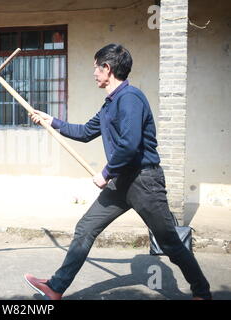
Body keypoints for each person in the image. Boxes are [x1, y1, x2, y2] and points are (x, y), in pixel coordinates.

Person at [24, 44, 212, 300]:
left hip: (144, 181)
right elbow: (84, 132)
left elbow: (130, 143)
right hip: (121, 181)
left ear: (107, 68)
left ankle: (202, 292)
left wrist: (105, 173)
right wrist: (51, 121)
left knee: (169, 243)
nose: (93, 72)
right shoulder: (109, 104)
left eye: (95, 67)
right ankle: (56, 288)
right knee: (86, 228)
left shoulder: (131, 98)